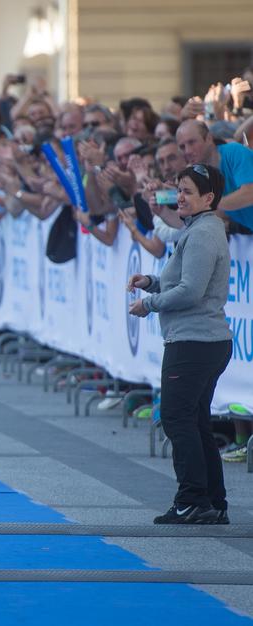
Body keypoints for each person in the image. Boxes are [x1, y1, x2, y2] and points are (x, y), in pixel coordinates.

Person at [127, 163, 232, 525]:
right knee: (196, 421)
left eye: (188, 191)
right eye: (179, 190)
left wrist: (149, 304)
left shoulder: (203, 233)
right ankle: (211, 502)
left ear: (209, 197)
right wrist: (152, 282)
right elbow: (181, 280)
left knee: (176, 418)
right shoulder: (199, 229)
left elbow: (191, 291)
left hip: (194, 341)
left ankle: (192, 499)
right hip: (200, 340)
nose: (181, 197)